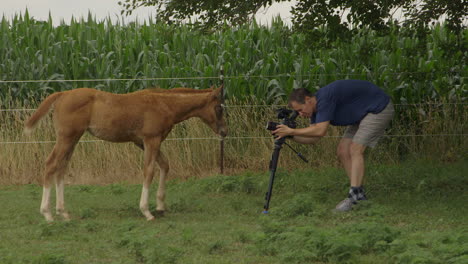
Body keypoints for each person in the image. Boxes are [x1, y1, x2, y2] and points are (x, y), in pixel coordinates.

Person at [272, 79, 394, 212]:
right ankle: (359, 195)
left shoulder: (324, 99)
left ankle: (354, 197)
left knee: (355, 149)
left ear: (308, 99)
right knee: (343, 151)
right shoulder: (315, 109)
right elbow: (314, 139)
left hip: (378, 108)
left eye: (300, 110)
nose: (300, 114)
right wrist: (289, 136)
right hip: (362, 114)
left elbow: (320, 130)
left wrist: (292, 131)